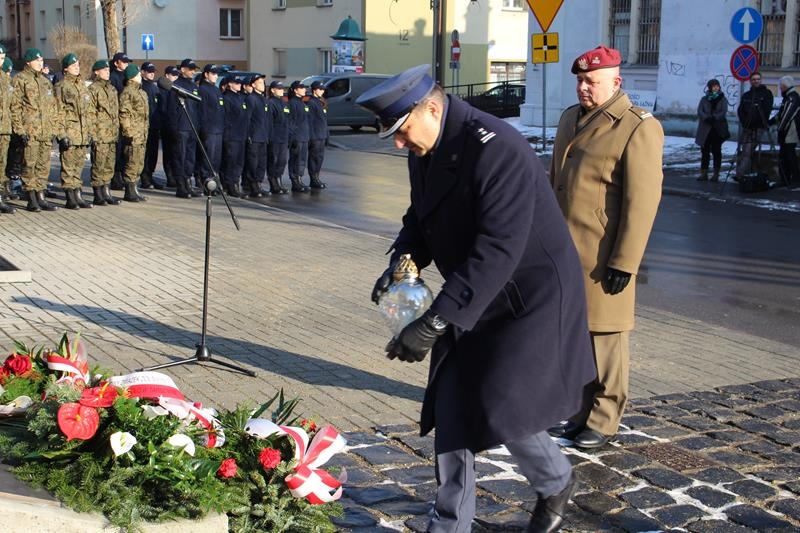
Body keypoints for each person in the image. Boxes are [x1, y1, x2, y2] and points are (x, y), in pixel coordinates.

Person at [358, 64, 595, 533]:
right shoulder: (425, 145)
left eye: (401, 131)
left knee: (504, 403)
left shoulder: (496, 147)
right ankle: (450, 522)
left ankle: (555, 481)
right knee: (451, 403)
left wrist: (435, 321)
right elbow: (420, 214)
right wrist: (404, 258)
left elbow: (499, 248)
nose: (399, 144)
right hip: (473, 291)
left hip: (527, 297)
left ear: (431, 109)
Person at [548, 46, 663, 450]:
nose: (583, 88)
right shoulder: (570, 118)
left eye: (591, 82)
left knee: (606, 338)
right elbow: (554, 182)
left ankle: (604, 418)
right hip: (566, 251)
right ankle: (580, 412)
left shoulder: (636, 126)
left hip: (603, 254)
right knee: (575, 336)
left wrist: (625, 261)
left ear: (616, 82)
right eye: (580, 80)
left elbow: (642, 202)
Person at [11, 48, 59, 212]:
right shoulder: (20, 79)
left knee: (43, 165)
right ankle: (31, 198)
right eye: (37, 60)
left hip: (45, 131)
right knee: (29, 165)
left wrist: (53, 127)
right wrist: (20, 130)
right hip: (30, 130)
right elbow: (15, 107)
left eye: (41, 60)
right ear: (28, 62)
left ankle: (41, 195)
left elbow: (52, 107)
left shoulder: (45, 82)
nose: (40, 63)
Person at [54, 53, 94, 209]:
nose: (77, 67)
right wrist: (61, 134)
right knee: (68, 166)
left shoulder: (82, 85)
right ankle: (70, 196)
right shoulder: (61, 86)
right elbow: (57, 112)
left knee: (79, 165)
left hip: (82, 133)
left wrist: (90, 132)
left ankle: (78, 194)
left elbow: (88, 111)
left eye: (78, 65)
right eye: (73, 65)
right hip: (70, 132)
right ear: (66, 68)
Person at [166, 58, 201, 198]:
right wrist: (174, 128)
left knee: (190, 158)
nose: (193, 72)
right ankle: (181, 186)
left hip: (192, 127)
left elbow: (197, 109)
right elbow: (171, 109)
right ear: (183, 70)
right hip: (181, 127)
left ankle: (188, 183)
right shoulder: (176, 86)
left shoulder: (194, 87)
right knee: (180, 156)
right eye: (190, 69)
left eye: (194, 69)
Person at [88, 59, 121, 206]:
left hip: (111, 134)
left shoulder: (112, 89)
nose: (107, 72)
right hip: (100, 134)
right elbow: (90, 113)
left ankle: (106, 191)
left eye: (108, 70)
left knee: (109, 164)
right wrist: (93, 134)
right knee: (99, 164)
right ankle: (98, 193)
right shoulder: (93, 89)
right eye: (104, 70)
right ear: (97, 72)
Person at [119, 64, 148, 202]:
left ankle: (134, 188)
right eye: (137, 74)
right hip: (133, 135)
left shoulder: (141, 92)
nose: (140, 76)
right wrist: (128, 132)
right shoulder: (128, 92)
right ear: (131, 77)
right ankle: (129, 191)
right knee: (131, 162)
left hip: (141, 134)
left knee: (139, 162)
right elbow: (124, 113)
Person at [736, 72, 774, 178]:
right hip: (747, 127)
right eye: (754, 79)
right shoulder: (747, 95)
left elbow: (766, 111)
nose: (756, 81)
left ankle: (740, 173)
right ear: (750, 81)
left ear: (761, 80)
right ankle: (743, 173)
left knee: (748, 151)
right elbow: (740, 110)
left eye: (758, 79)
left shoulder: (767, 94)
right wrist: (745, 121)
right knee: (745, 151)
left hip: (758, 127)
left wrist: (756, 121)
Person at [695, 78, 730, 182]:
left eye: (717, 86)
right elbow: (700, 111)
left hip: (717, 129)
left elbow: (723, 111)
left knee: (716, 151)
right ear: (709, 87)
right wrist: (706, 118)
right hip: (705, 129)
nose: (715, 88)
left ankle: (716, 174)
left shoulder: (722, 98)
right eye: (713, 86)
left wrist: (715, 117)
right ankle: (704, 173)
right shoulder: (704, 99)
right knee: (705, 152)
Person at [221, 76, 250, 197]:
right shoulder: (227, 98)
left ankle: (235, 184)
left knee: (239, 162)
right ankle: (229, 186)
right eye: (236, 83)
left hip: (240, 135)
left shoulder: (240, 97)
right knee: (230, 162)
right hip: (231, 136)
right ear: (230, 84)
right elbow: (225, 118)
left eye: (240, 83)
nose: (239, 85)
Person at [769, 76, 800, 188]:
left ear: (786, 86)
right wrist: (771, 122)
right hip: (786, 131)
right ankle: (785, 179)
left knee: (789, 155)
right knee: (784, 155)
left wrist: (780, 129)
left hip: (790, 131)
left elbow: (787, 116)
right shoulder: (787, 97)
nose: (780, 87)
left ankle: (795, 179)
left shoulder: (792, 98)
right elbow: (781, 114)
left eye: (781, 85)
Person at [197, 64, 224, 189]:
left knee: (216, 159)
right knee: (208, 158)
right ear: (206, 74)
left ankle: (213, 182)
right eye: (213, 73)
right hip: (209, 130)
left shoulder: (216, 90)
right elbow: (202, 112)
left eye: (216, 74)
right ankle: (206, 182)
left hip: (218, 129)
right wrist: (204, 130)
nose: (216, 76)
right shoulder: (203, 89)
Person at [245, 73, 271, 197]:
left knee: (262, 162)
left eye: (263, 83)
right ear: (253, 85)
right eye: (259, 83)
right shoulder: (251, 99)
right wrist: (248, 135)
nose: (263, 85)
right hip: (254, 136)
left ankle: (259, 184)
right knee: (253, 162)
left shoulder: (263, 99)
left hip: (263, 136)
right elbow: (247, 119)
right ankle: (253, 186)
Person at [140, 62, 163, 190]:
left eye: (153, 71)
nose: (152, 74)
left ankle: (150, 175)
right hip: (145, 126)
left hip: (154, 125)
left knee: (153, 153)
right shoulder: (141, 87)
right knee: (146, 153)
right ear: (143, 72)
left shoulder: (154, 87)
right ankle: (144, 177)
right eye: (149, 71)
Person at [267, 80, 290, 194]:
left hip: (283, 137)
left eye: (282, 88)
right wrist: (270, 137)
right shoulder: (271, 103)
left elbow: (288, 119)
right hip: (275, 137)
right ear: (273, 90)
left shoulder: (283, 102)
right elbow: (269, 122)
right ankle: (273, 183)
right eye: (279, 88)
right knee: (274, 160)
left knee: (282, 161)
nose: (282, 90)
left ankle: (279, 181)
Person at [158, 65, 179, 188]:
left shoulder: (175, 89)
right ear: (167, 76)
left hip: (175, 125)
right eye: (173, 75)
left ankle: (174, 176)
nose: (175, 77)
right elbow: (163, 109)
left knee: (174, 152)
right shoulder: (162, 90)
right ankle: (170, 176)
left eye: (177, 75)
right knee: (168, 152)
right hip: (166, 125)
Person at [288, 80, 310, 192]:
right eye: (301, 88)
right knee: (295, 160)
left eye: (304, 87)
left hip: (304, 136)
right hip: (297, 137)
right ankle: (295, 181)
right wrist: (293, 137)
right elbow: (291, 122)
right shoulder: (292, 103)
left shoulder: (302, 103)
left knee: (302, 160)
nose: (304, 89)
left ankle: (299, 179)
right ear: (295, 90)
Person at [0, 45, 15, 213]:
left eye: (2, 58)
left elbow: (13, 105)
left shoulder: (6, 79)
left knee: (2, 163)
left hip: (4, 128)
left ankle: (0, 196)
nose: (0, 61)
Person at [306, 80, 328, 189]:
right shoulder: (311, 103)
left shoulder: (321, 102)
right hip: (315, 135)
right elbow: (310, 121)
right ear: (314, 90)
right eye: (320, 89)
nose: (322, 91)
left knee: (319, 158)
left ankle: (317, 177)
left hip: (321, 134)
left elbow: (324, 120)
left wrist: (326, 134)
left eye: (323, 89)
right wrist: (311, 137)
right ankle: (313, 179)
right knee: (314, 158)